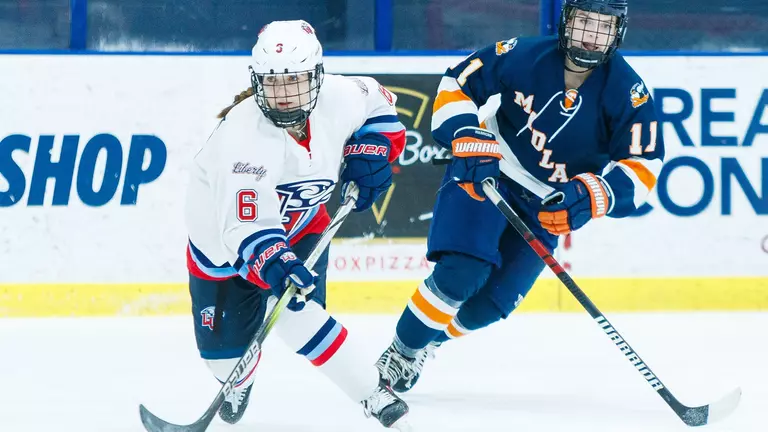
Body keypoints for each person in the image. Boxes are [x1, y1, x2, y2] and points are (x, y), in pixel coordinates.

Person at [376, 0, 665, 393]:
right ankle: (402, 351)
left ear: (619, 32)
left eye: (604, 26)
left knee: (490, 306)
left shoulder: (628, 93)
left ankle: (429, 341)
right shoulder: (524, 55)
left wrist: (592, 194)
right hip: (490, 175)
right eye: (584, 22)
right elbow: (458, 82)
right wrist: (466, 134)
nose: (592, 35)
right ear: (566, 22)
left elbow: (644, 164)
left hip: (548, 204)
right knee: (462, 272)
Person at [184, 20, 411, 429]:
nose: (285, 95)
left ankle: (373, 392)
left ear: (317, 75)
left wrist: (372, 150)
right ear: (256, 81)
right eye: (273, 83)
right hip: (222, 250)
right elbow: (244, 231)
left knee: (296, 310)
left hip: (303, 228)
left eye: (296, 80)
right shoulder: (241, 138)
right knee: (222, 359)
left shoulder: (342, 95)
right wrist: (277, 262)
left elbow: (382, 109)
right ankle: (238, 379)